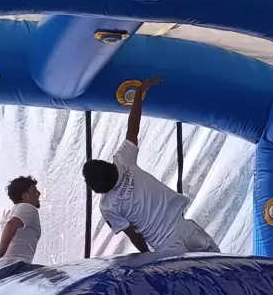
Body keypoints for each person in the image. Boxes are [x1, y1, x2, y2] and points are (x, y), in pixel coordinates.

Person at [82, 78, 220, 255]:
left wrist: (147, 257)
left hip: (167, 244)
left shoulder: (108, 205)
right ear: (109, 166)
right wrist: (139, 93)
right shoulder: (122, 162)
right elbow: (133, 128)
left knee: (203, 271)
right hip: (181, 229)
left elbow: (134, 236)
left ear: (98, 190)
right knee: (219, 264)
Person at [0, 176, 42, 282]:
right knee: (60, 276)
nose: (39, 193)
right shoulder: (28, 208)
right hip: (13, 269)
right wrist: (1, 252)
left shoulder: (13, 212)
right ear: (25, 196)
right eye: (34, 190)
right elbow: (11, 224)